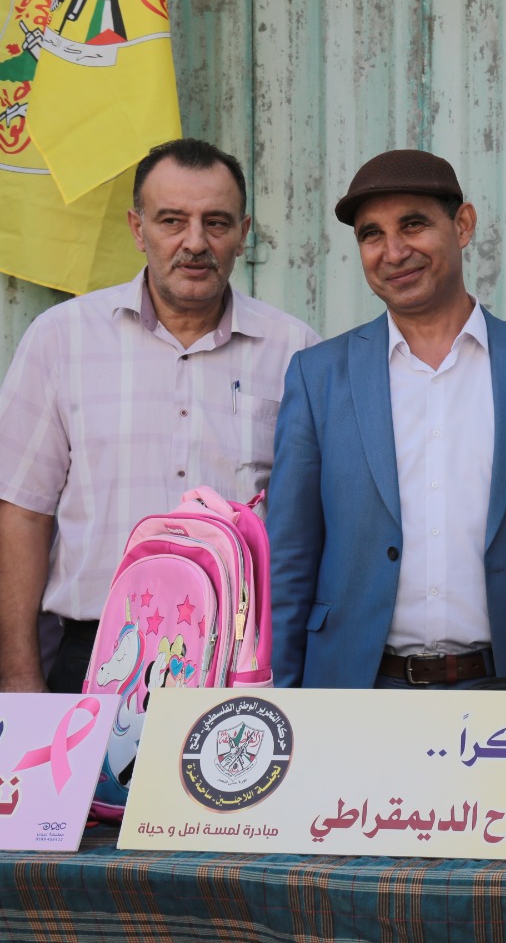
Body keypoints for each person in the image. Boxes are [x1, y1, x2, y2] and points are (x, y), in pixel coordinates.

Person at [269, 149, 506, 690]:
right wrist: (280, 704)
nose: (393, 251)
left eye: (413, 225)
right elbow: (289, 561)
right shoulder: (318, 378)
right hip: (355, 691)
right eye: (371, 234)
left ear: (463, 225)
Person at [0, 138, 319, 693]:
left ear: (243, 233)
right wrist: (19, 675)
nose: (194, 242)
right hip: (96, 657)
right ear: (137, 227)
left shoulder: (295, 351)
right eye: (172, 220)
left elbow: (311, 524)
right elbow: (22, 514)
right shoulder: (61, 339)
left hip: (239, 666)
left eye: (215, 222)